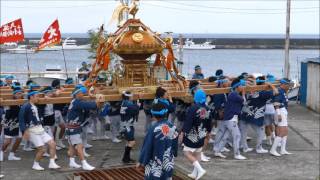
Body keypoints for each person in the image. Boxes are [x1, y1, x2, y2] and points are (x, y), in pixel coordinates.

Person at [19, 91, 60, 170]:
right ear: (31, 97)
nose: (38, 98)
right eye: (36, 96)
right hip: (31, 130)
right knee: (42, 149)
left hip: (40, 128)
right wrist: (24, 131)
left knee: (52, 144)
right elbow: (21, 119)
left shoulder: (36, 105)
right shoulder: (25, 106)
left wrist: (46, 97)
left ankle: (52, 163)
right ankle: (35, 164)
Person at [65, 86, 104, 170]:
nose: (82, 94)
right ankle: (84, 164)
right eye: (81, 93)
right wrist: (98, 98)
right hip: (72, 128)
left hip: (73, 127)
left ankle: (72, 162)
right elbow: (91, 105)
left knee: (72, 146)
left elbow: (89, 109)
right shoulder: (77, 102)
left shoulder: (77, 102)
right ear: (77, 94)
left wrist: (96, 104)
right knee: (79, 146)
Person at [137, 103, 178, 180]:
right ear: (166, 113)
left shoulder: (153, 129)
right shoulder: (173, 127)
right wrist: (174, 154)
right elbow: (174, 144)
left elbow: (147, 147)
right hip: (168, 160)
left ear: (153, 114)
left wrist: (142, 161)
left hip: (154, 161)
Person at [239, 77, 278, 154]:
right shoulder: (263, 93)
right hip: (256, 116)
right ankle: (259, 148)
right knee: (261, 132)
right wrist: (271, 85)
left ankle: (245, 147)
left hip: (244, 114)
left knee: (243, 132)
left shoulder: (245, 91)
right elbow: (276, 92)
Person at [180, 89, 211, 179]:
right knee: (198, 153)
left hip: (192, 134)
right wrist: (208, 132)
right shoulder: (207, 108)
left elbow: (188, 122)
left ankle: (200, 170)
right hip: (202, 133)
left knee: (186, 152)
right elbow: (209, 122)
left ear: (196, 97)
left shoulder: (193, 108)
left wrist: (183, 132)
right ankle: (195, 173)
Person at [213, 78, 247, 160]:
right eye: (241, 86)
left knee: (225, 136)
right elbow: (244, 102)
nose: (242, 87)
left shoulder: (232, 94)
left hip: (229, 118)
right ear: (237, 87)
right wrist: (243, 93)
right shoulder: (234, 95)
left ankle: (217, 151)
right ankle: (236, 154)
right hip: (231, 119)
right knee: (237, 136)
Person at [270, 78, 293, 156]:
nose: (289, 86)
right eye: (288, 85)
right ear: (283, 84)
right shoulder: (279, 91)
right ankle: (273, 150)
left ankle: (283, 150)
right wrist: (279, 114)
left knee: (285, 132)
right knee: (282, 131)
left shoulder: (282, 91)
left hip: (283, 111)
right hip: (280, 112)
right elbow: (276, 103)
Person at [0, 87, 24, 162]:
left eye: (20, 93)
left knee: (19, 139)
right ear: (14, 94)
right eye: (18, 93)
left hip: (18, 123)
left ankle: (12, 154)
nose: (19, 95)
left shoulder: (22, 102)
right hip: (9, 123)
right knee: (8, 141)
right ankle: (1, 152)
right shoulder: (9, 102)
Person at [120, 91, 140, 163]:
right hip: (127, 125)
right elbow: (136, 111)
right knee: (132, 142)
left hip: (125, 124)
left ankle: (127, 158)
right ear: (129, 97)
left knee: (128, 142)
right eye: (131, 96)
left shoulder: (124, 102)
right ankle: (125, 158)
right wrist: (138, 104)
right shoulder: (129, 103)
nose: (132, 97)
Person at [51, 79, 67, 149]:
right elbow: (56, 93)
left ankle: (59, 142)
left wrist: (61, 89)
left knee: (63, 127)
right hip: (54, 111)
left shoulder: (60, 89)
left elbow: (63, 90)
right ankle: (54, 143)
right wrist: (60, 90)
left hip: (59, 111)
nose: (59, 85)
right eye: (59, 84)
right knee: (54, 128)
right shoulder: (53, 90)